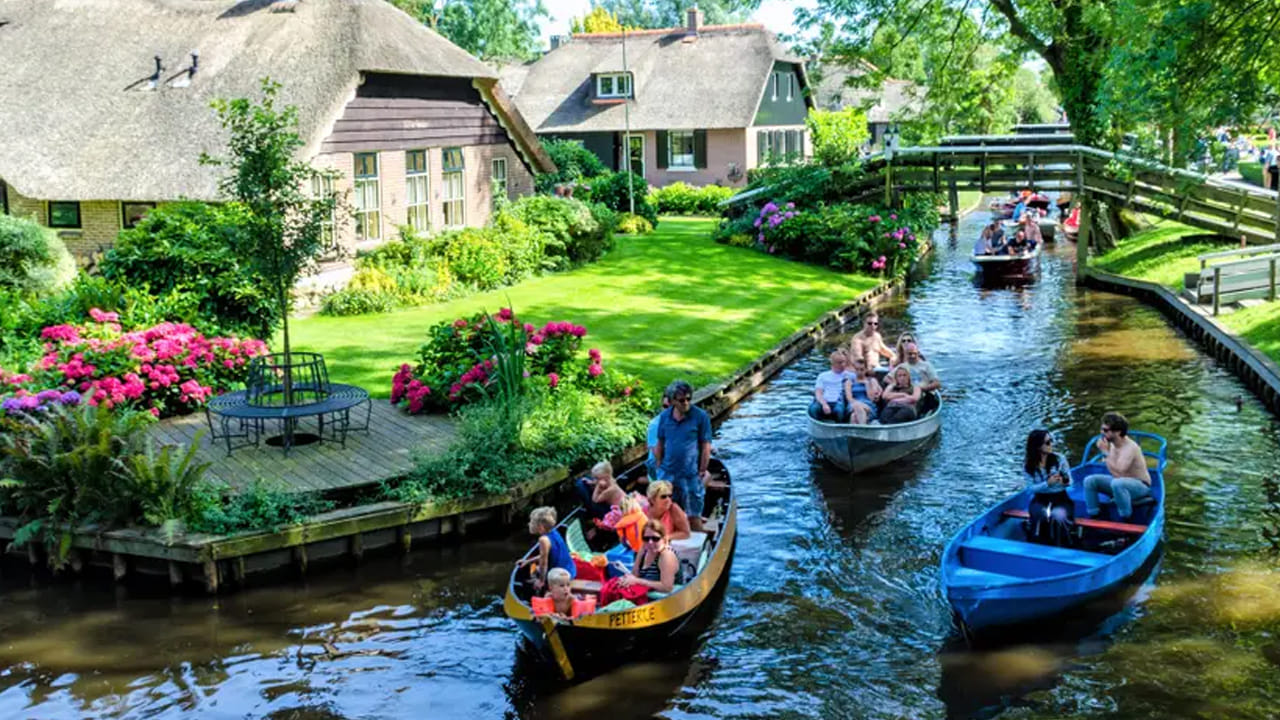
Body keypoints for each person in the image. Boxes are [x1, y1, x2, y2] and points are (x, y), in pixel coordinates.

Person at [653, 379, 712, 533]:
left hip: (690, 475)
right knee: (667, 513)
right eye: (681, 400)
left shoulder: (700, 416)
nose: (686, 402)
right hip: (668, 474)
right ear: (672, 401)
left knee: (693, 515)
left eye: (688, 399)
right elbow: (660, 441)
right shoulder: (665, 417)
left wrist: (702, 469)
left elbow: (706, 445)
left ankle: (702, 551)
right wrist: (659, 465)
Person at [1083, 412, 1152, 521]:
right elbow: (1114, 470)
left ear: (1118, 432)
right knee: (1089, 480)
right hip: (1120, 483)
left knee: (1117, 483)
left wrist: (1105, 452)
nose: (1102, 433)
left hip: (1140, 486)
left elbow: (1119, 473)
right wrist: (1107, 453)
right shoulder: (1113, 444)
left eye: (1106, 430)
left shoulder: (1130, 448)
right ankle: (1094, 515)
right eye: (1102, 429)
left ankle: (1126, 518)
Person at [1023, 429, 1075, 546]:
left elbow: (1070, 481)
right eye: (1047, 442)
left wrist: (1064, 481)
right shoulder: (1029, 465)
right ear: (1037, 446)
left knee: (1058, 516)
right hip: (1040, 499)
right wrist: (1047, 484)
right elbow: (1030, 489)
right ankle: (1038, 543)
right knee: (1040, 515)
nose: (1051, 445)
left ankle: (1060, 545)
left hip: (1060, 498)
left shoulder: (1059, 459)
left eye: (1051, 441)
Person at [518, 506, 575, 591]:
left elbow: (543, 563)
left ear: (540, 527)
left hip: (562, 577)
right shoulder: (554, 531)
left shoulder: (543, 540)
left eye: (532, 522)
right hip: (571, 570)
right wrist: (528, 561)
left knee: (532, 577)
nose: (529, 524)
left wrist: (541, 581)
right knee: (534, 568)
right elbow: (546, 555)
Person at [531, 567, 596, 620]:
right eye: (562, 586)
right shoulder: (549, 597)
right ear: (551, 588)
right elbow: (543, 614)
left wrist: (566, 618)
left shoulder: (571, 599)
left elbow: (577, 619)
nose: (566, 589)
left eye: (568, 585)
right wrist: (552, 615)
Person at [810, 349, 851, 422]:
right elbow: (818, 393)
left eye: (844, 362)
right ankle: (819, 425)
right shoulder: (823, 376)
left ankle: (839, 428)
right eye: (840, 363)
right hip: (824, 400)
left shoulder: (849, 375)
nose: (843, 365)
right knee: (813, 409)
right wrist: (824, 404)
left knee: (839, 411)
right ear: (833, 364)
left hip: (838, 402)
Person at [844, 355, 882, 424]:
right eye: (857, 369)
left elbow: (872, 398)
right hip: (853, 404)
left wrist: (867, 384)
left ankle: (857, 433)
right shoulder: (849, 382)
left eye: (862, 369)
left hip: (868, 405)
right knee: (856, 409)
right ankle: (863, 428)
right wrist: (858, 404)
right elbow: (849, 398)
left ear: (866, 369)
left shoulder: (871, 380)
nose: (859, 372)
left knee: (854, 417)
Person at [644, 391, 671, 484]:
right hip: (658, 467)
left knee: (706, 476)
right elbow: (658, 456)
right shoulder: (655, 425)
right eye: (665, 407)